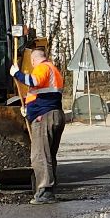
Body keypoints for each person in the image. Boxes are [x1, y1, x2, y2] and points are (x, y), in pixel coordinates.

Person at [12, 46, 66, 203]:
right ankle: (47, 189)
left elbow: (33, 81)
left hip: (44, 117)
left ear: (33, 60)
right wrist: (28, 108)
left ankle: (45, 192)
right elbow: (42, 92)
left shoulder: (42, 68)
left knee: (40, 156)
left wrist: (17, 73)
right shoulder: (53, 70)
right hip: (54, 114)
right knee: (49, 155)